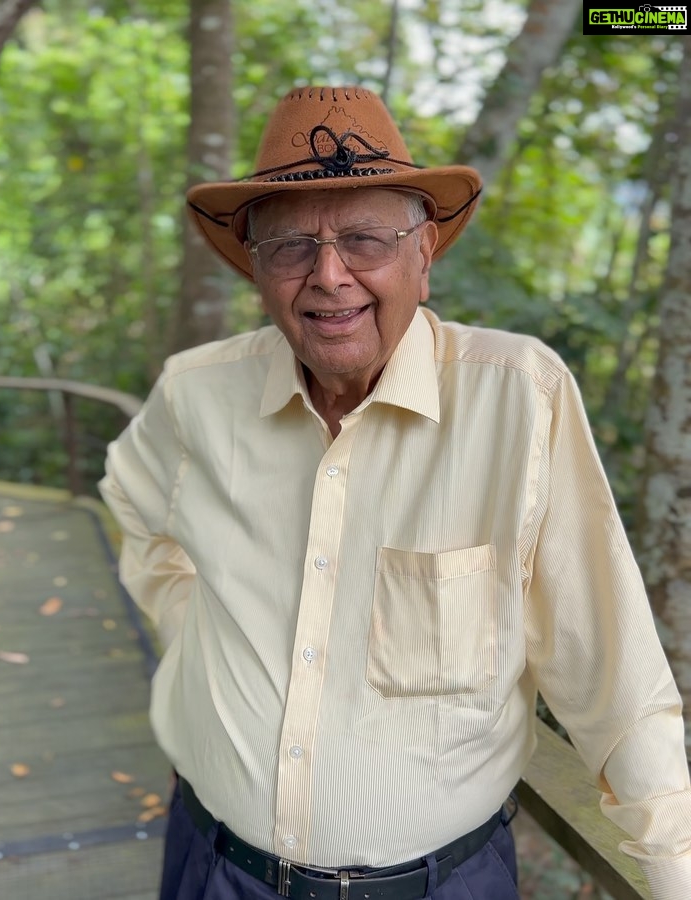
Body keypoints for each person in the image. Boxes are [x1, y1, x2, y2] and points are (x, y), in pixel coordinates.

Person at [100, 85, 691, 900]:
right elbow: (130, 506)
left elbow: (611, 675)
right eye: (292, 246)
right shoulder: (195, 396)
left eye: (365, 239)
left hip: (442, 884)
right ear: (258, 269)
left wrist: (672, 874)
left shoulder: (518, 398)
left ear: (425, 252)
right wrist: (197, 634)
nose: (330, 276)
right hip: (216, 868)